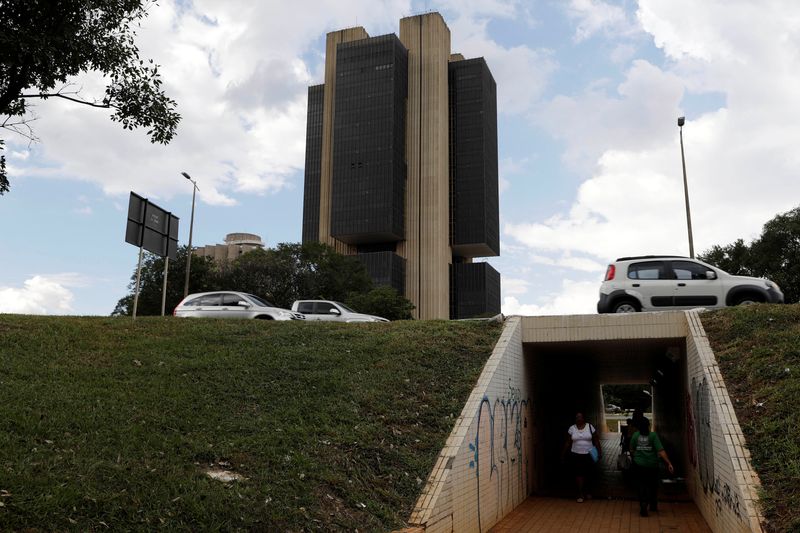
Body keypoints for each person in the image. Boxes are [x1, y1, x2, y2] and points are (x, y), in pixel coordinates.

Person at [629, 417, 674, 517]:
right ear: (648, 426)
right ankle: (653, 505)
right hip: (652, 466)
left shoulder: (635, 435)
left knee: (641, 486)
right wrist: (669, 463)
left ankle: (643, 504)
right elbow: (661, 450)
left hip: (639, 465)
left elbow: (631, 449)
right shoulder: (653, 436)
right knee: (653, 486)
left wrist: (636, 456)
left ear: (639, 427)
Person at [561, 412, 601, 502]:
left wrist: (599, 452)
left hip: (589, 454)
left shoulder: (590, 427)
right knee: (579, 474)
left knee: (589, 473)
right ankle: (580, 493)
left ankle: (588, 491)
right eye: (577, 417)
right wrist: (563, 454)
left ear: (584, 418)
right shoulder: (572, 428)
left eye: (580, 417)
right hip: (576, 454)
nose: (578, 418)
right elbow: (568, 442)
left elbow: (596, 440)